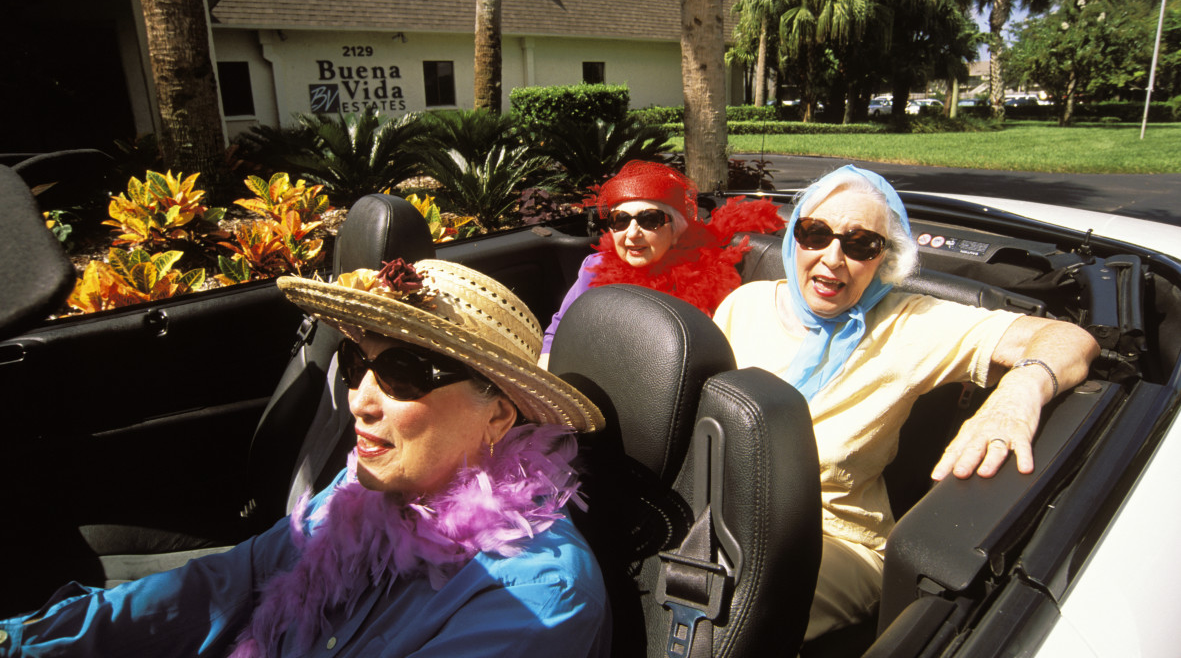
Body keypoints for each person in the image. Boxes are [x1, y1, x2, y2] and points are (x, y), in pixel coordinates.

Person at [1, 259, 610, 657]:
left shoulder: (538, 596)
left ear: (499, 416)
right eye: (356, 363)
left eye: (402, 375)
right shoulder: (355, 495)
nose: (359, 401)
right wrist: (31, 640)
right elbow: (228, 582)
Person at [712, 165, 1099, 641]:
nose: (833, 258)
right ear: (795, 238)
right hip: (725, 512)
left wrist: (1019, 393)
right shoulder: (746, 303)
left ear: (885, 259)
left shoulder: (911, 324)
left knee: (728, 606)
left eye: (861, 245)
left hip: (832, 539)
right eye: (815, 233)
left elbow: (1068, 339)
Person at [539, 160, 784, 367]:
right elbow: (559, 330)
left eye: (649, 220)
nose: (632, 233)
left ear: (676, 229)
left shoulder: (705, 277)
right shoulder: (593, 268)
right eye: (620, 220)